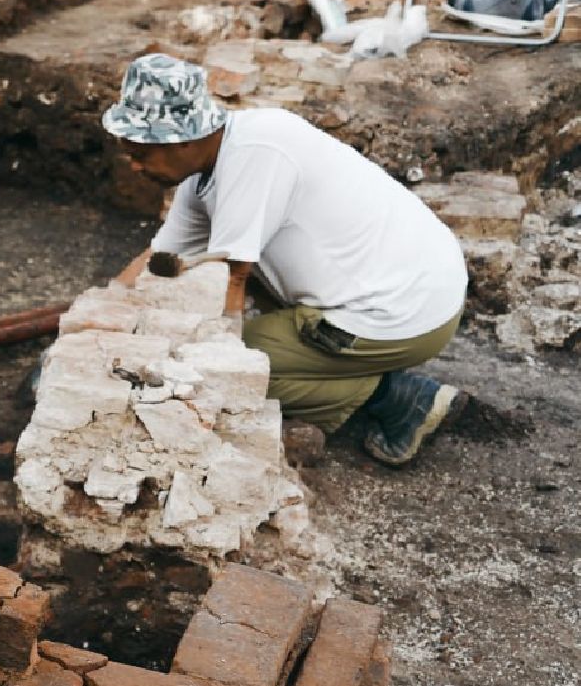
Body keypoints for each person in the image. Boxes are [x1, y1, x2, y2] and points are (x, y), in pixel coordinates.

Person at [101, 53, 470, 467]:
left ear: (181, 138)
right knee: (200, 351)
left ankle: (399, 399)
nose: (133, 165)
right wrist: (101, 315)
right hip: (408, 284)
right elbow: (159, 258)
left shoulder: (253, 156)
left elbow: (229, 282)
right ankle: (344, 373)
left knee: (197, 374)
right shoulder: (210, 168)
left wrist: (215, 362)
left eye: (140, 153)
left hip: (399, 310)